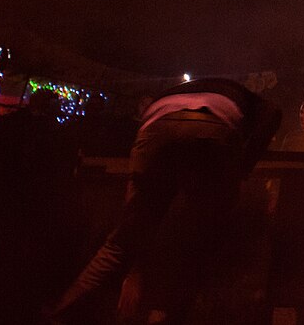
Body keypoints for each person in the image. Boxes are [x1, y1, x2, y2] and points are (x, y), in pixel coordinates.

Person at [48, 78, 280, 324]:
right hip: (214, 129)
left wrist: (134, 272)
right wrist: (243, 167)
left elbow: (137, 203)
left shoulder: (173, 94)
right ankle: (177, 316)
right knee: (205, 237)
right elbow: (274, 113)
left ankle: (60, 315)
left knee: (122, 242)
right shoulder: (242, 95)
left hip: (155, 129)